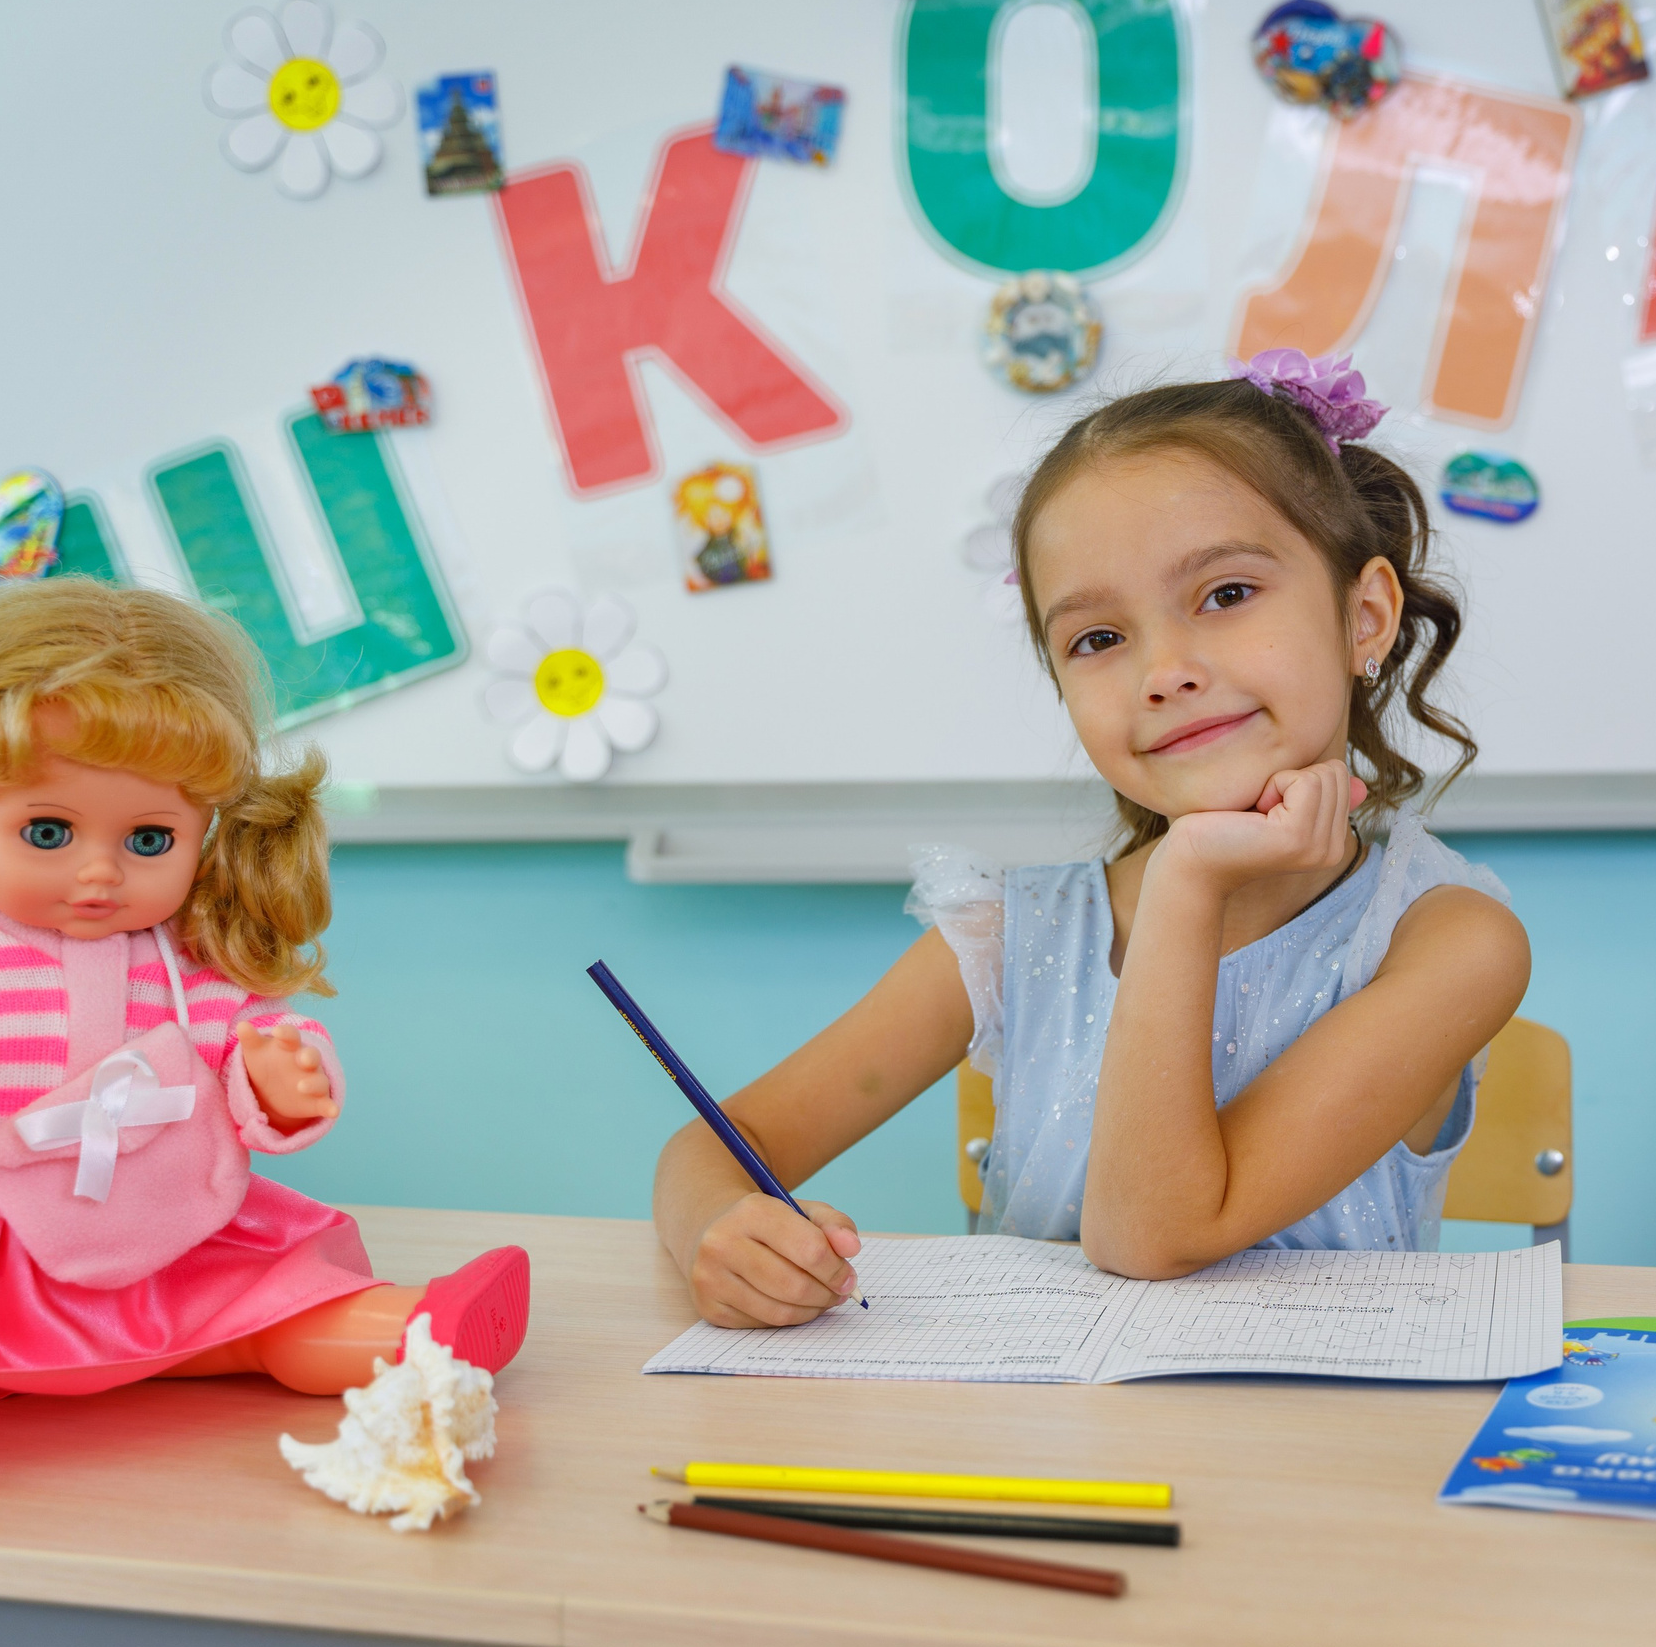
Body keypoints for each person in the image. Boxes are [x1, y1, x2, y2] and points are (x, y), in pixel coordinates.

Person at [655, 348, 1531, 1327]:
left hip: (1301, 1465)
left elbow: (1150, 1235)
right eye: (1098, 640)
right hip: (1045, 1461)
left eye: (1226, 594)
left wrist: (1185, 882)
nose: (1164, 669)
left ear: (1364, 616)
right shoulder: (1008, 933)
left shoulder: (1447, 944)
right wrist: (717, 1232)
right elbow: (716, 1146)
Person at [0, 579, 526, 1406]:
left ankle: (411, 1332)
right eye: (48, 831)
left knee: (277, 1303)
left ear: (203, 830)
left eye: (149, 838)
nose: (100, 870)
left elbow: (252, 1059)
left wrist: (278, 1083)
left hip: (171, 1239)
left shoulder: (196, 973)